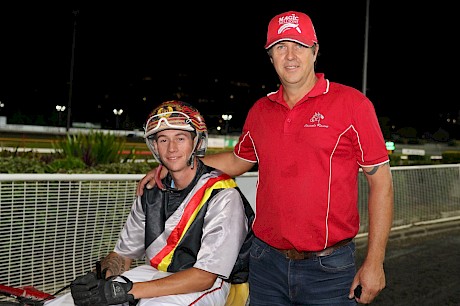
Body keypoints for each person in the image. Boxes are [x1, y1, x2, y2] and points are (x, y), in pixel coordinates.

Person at [137, 10, 394, 305]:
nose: (290, 55)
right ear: (270, 56)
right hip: (265, 264)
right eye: (280, 47)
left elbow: (381, 185)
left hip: (329, 269)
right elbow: (238, 161)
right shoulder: (260, 110)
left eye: (299, 45)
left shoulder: (353, 105)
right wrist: (174, 167)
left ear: (315, 50)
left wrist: (375, 263)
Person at [46, 100, 254, 306]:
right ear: (154, 146)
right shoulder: (151, 190)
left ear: (196, 142)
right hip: (155, 275)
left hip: (209, 284)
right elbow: (123, 255)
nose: (171, 148)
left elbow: (204, 277)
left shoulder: (223, 194)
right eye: (163, 140)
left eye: (180, 138)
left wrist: (124, 291)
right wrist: (97, 277)